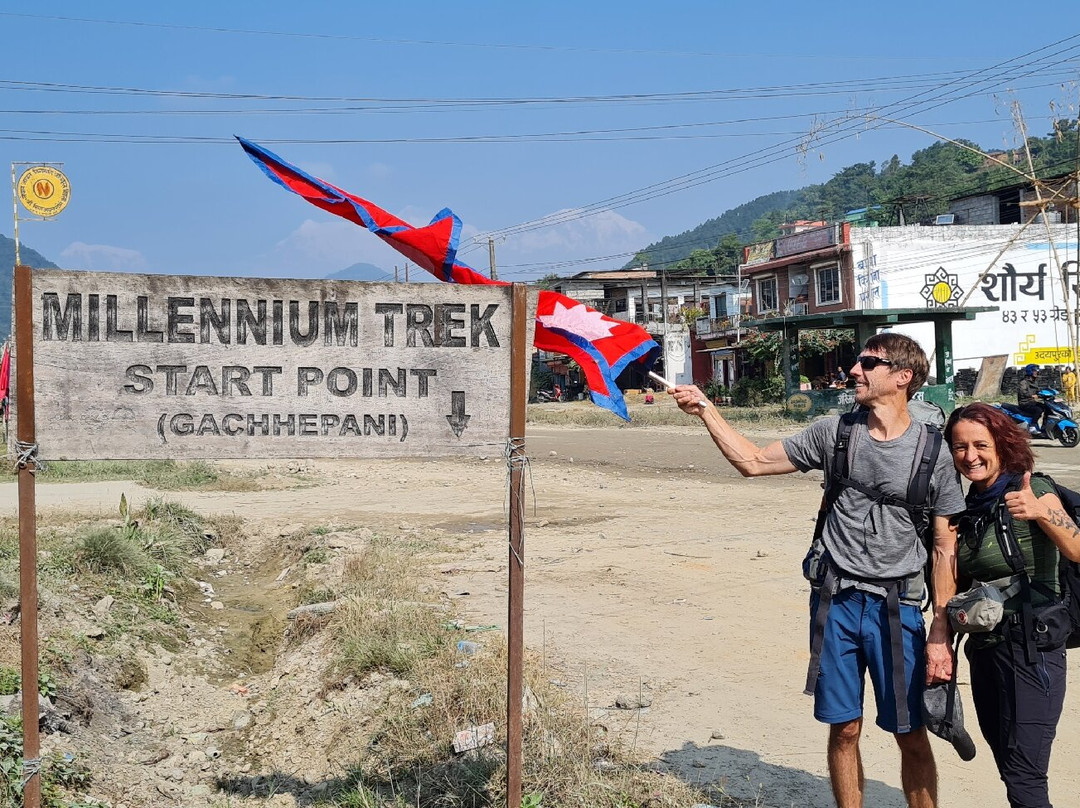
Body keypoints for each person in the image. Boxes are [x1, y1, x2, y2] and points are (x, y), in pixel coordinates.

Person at [668, 332, 965, 808]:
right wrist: (706, 409)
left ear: (903, 377)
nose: (854, 371)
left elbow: (945, 548)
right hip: (837, 601)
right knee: (844, 727)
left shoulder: (935, 453)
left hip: (899, 607)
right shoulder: (835, 432)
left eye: (869, 363)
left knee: (910, 733)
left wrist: (939, 632)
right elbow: (753, 461)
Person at [945, 402, 1080, 807]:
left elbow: (1077, 546)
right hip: (985, 651)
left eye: (980, 444)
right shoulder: (969, 508)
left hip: (1032, 651)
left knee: (1025, 775)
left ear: (1002, 444)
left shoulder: (1032, 488)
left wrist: (1040, 513)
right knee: (1009, 765)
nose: (970, 456)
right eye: (959, 447)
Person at [1017, 364, 1046, 433]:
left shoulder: (1034, 381)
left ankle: (1045, 425)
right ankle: (1032, 426)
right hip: (1024, 403)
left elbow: (1038, 391)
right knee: (1038, 410)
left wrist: (1045, 393)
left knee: (1046, 407)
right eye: (1035, 371)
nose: (1036, 372)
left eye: (1037, 371)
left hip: (1031, 402)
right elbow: (1022, 392)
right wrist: (1032, 395)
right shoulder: (1023, 382)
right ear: (1030, 371)